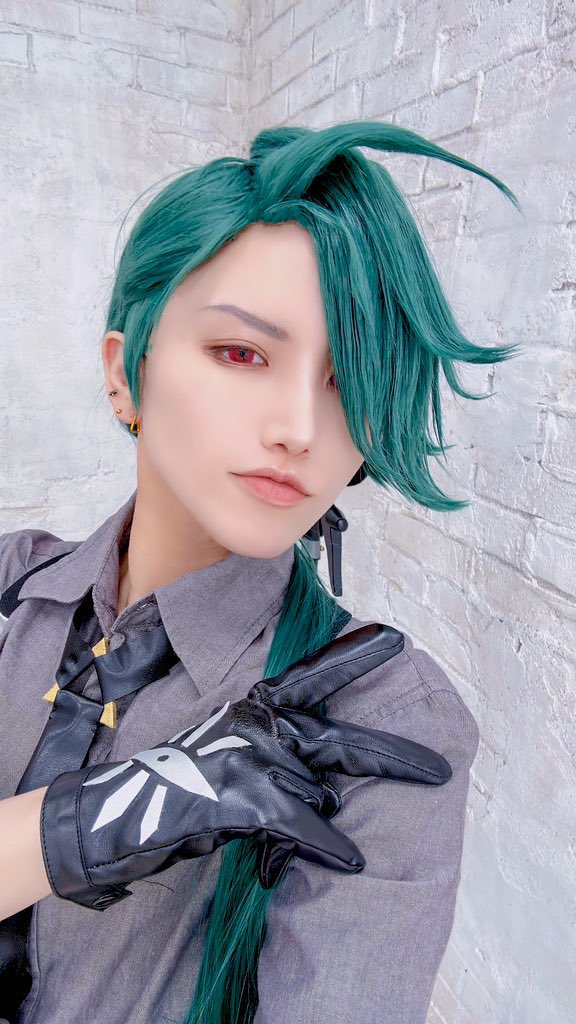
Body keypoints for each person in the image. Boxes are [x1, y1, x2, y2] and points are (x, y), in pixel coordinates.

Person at [0, 120, 521, 1024]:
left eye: (348, 378)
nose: (299, 429)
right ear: (125, 374)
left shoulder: (380, 725)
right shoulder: (11, 588)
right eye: (242, 353)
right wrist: (83, 826)